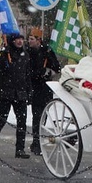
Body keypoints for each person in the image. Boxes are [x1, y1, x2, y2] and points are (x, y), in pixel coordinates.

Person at [0, 32, 32, 159]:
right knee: (1, 119)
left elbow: (27, 75)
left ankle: (20, 148)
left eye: (21, 39)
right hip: (6, 92)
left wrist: (29, 91)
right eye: (17, 39)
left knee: (22, 121)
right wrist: (4, 55)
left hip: (20, 93)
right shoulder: (6, 53)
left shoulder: (25, 55)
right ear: (12, 41)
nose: (20, 41)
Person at [26, 27, 60, 155]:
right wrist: (37, 74)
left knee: (43, 116)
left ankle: (37, 141)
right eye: (29, 39)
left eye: (32, 39)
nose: (29, 41)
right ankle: (36, 142)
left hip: (45, 88)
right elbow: (27, 69)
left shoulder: (47, 51)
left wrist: (48, 71)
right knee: (37, 116)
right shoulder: (28, 52)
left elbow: (56, 66)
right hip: (34, 88)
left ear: (39, 40)